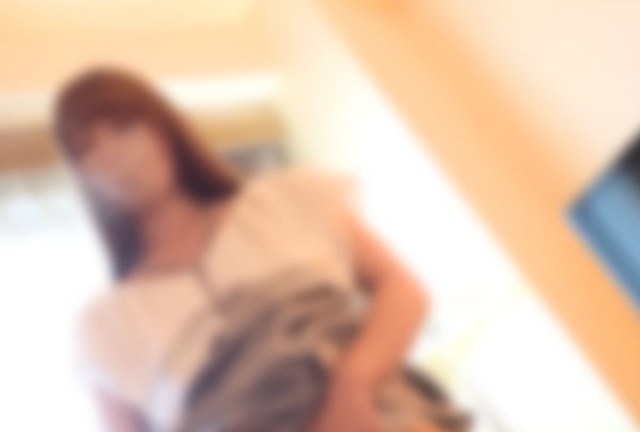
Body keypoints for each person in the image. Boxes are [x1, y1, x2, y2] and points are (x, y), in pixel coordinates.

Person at [56, 68, 469, 432]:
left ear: (164, 126)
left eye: (125, 125)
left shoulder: (287, 201)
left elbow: (401, 288)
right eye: (87, 146)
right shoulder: (104, 327)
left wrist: (353, 383)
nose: (114, 153)